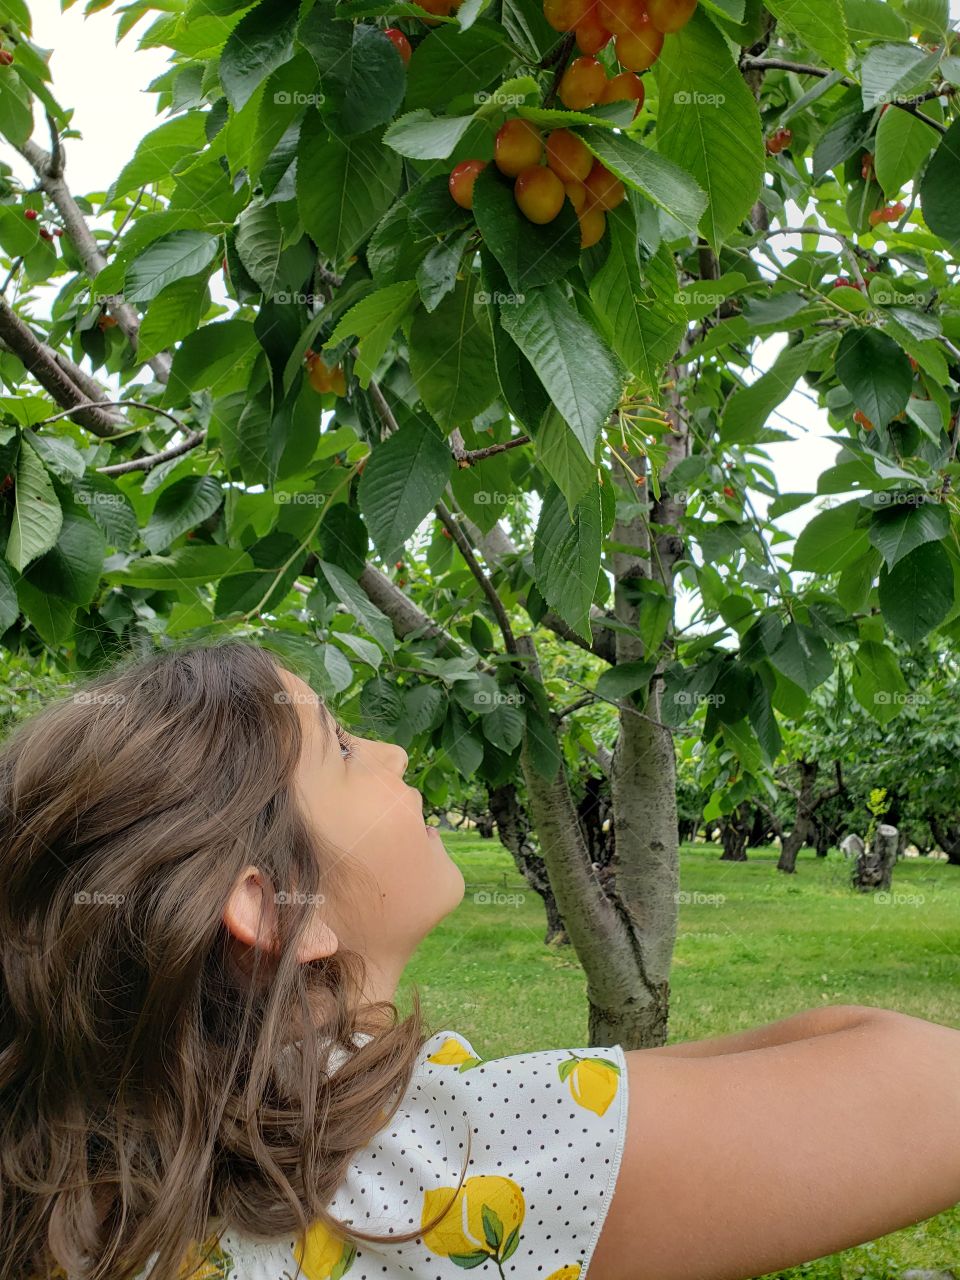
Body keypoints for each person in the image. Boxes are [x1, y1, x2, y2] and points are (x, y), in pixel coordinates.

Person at [0, 640, 957, 1280]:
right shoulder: (411, 1175)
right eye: (339, 748)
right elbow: (930, 1086)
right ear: (267, 907)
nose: (396, 754)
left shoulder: (125, 1172)